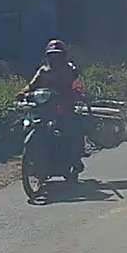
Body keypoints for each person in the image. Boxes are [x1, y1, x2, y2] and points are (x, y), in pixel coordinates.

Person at [22, 39, 86, 172]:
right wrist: (23, 92)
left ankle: (75, 159)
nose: (54, 58)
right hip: (44, 107)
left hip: (64, 107)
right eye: (52, 55)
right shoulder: (43, 71)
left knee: (72, 127)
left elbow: (77, 86)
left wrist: (74, 94)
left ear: (63, 56)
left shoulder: (70, 70)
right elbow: (32, 85)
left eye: (57, 55)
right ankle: (35, 158)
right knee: (29, 123)